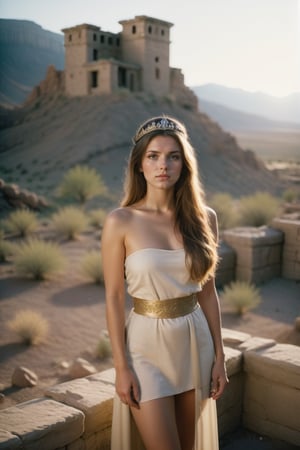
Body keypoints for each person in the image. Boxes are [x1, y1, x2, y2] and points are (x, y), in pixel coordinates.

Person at [101, 115, 229, 450]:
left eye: (173, 156)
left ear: (184, 165)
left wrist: (220, 356)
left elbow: (208, 292)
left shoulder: (205, 219)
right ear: (139, 165)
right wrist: (120, 367)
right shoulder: (120, 221)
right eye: (153, 156)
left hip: (194, 343)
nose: (163, 165)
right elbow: (114, 297)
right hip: (144, 347)